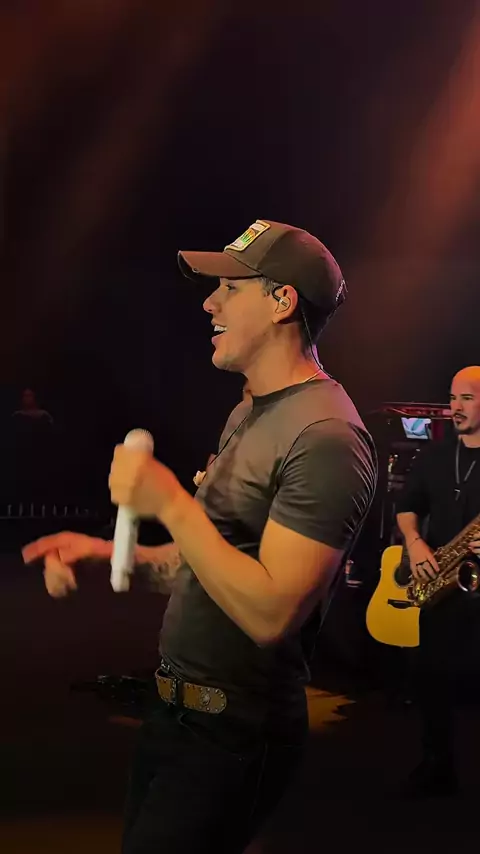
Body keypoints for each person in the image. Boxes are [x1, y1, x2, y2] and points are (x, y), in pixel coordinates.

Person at [23, 219, 377, 853]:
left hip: (234, 732)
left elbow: (270, 613)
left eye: (230, 288)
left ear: (282, 300)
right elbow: (212, 563)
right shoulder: (248, 411)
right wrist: (111, 555)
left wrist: (170, 502)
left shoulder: (326, 437)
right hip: (176, 717)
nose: (210, 304)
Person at [396, 365, 480, 796]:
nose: (455, 407)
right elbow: (407, 506)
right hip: (443, 585)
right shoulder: (434, 456)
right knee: (431, 678)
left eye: (467, 398)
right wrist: (414, 543)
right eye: (452, 398)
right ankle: (436, 764)